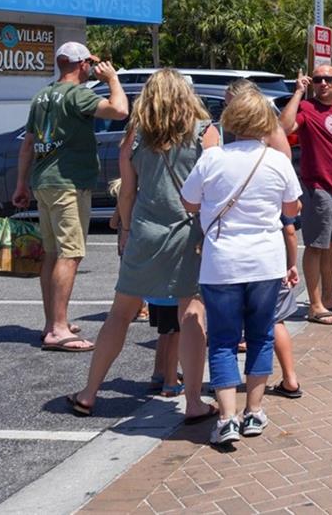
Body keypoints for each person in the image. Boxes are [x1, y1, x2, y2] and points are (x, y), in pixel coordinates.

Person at [66, 68, 217, 423]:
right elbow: (214, 186)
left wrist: (126, 229)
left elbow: (127, 191)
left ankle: (89, 393)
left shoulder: (135, 135)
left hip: (145, 231)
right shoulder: (204, 132)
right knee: (191, 313)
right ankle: (193, 400)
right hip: (189, 232)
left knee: (120, 314)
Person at [180, 90, 302, 447]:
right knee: (261, 334)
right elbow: (292, 209)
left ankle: (226, 417)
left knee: (222, 340)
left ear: (230, 120)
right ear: (264, 121)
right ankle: (254, 411)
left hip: (221, 263)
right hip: (265, 260)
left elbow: (189, 202)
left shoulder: (212, 158)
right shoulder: (277, 161)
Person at [13, 41, 128, 353]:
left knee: (52, 253)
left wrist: (21, 184)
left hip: (44, 182)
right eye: (90, 61)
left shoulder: (42, 96)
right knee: (70, 253)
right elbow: (119, 111)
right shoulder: (78, 95)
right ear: (80, 65)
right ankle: (59, 329)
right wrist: (113, 80)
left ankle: (53, 322)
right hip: (68, 184)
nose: (93, 66)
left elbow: (27, 145)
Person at [222, 80, 302, 399]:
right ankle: (286, 379)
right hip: (260, 223)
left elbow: (286, 178)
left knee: (270, 316)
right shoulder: (255, 127)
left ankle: (289, 377)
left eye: (230, 99)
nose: (226, 106)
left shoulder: (263, 129)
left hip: (264, 222)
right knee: (264, 315)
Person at [278, 64, 332, 326]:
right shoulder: (307, 108)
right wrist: (298, 92)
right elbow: (283, 127)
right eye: (318, 79)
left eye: (329, 79)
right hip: (319, 188)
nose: (323, 83)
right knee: (316, 245)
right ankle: (314, 305)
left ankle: (329, 297)